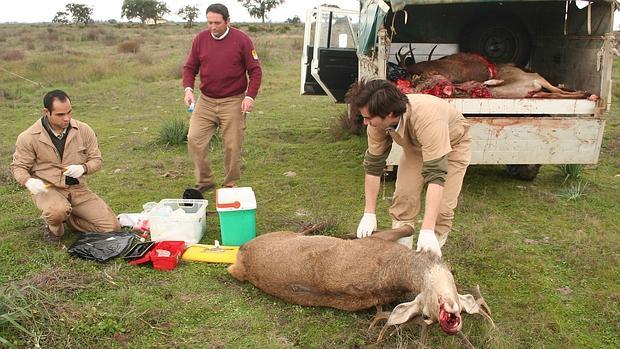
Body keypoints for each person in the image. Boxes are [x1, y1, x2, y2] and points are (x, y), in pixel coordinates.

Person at [346, 79, 472, 257]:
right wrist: (369, 213)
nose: (366, 122)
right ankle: (402, 257)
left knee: (442, 210)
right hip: (415, 148)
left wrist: (427, 229)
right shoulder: (377, 123)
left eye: (369, 118)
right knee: (404, 198)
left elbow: (436, 175)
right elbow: (374, 166)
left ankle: (429, 256)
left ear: (389, 114)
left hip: (452, 146)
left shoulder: (428, 119)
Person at [10, 90, 121, 244]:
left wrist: (84, 168)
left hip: (77, 189)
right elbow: (18, 167)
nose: (67, 118)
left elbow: (96, 160)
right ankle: (54, 229)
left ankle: (70, 219)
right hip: (48, 188)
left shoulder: (84, 130)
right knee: (57, 211)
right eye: (60, 114)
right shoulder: (28, 137)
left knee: (112, 227)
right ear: (46, 112)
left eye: (69, 112)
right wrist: (28, 181)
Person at [182, 3, 262, 192]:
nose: (212, 27)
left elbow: (255, 71)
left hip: (233, 100)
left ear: (228, 21)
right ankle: (205, 181)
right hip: (206, 100)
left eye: (217, 23)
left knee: (232, 146)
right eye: (209, 22)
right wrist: (188, 89)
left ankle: (230, 184)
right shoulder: (200, 39)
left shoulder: (242, 40)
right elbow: (190, 67)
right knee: (194, 139)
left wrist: (249, 97)